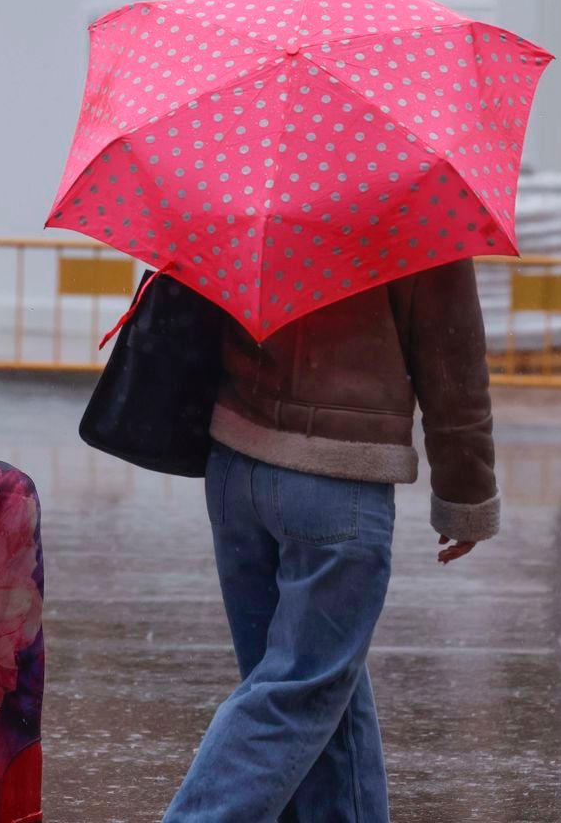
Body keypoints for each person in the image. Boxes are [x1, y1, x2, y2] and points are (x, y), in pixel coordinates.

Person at [165, 260, 499, 821]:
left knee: (317, 690)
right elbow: (452, 363)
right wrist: (466, 497)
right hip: (335, 478)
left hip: (235, 466)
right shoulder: (417, 193)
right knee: (299, 691)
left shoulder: (249, 182)